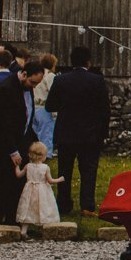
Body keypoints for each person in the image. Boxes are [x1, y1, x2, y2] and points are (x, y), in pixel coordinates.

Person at [46, 47, 110, 216]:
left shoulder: (61, 81)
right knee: (88, 170)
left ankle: (63, 204)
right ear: (88, 62)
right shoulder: (97, 81)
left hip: (66, 133)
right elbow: (105, 109)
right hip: (90, 134)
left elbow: (49, 105)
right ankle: (87, 206)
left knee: (64, 170)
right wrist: (103, 133)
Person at [0, 62, 44, 226]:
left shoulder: (27, 88)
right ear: (24, 74)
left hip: (20, 142)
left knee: (17, 185)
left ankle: (12, 219)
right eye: (33, 82)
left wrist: (33, 141)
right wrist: (12, 150)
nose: (34, 86)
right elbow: (2, 123)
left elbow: (27, 117)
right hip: (0, 146)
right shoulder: (6, 89)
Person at [13, 141, 64, 229]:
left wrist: (17, 166)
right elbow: (50, 181)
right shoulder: (45, 167)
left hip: (29, 191)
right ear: (43, 156)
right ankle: (45, 226)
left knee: (28, 207)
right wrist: (60, 179)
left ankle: (24, 230)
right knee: (43, 206)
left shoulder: (28, 166)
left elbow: (18, 175)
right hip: (42, 192)